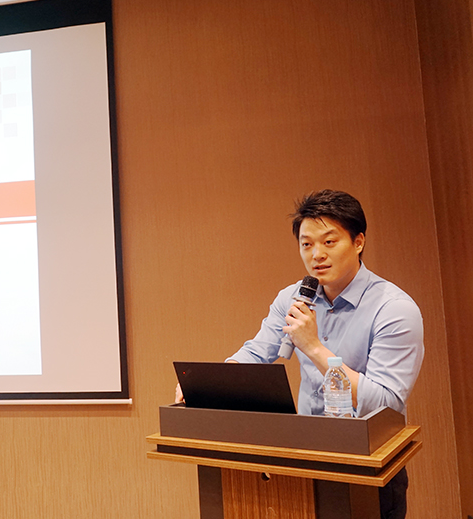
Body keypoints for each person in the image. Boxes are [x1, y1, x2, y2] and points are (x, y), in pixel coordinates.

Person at [176, 190, 424, 519]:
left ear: (358, 242)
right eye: (306, 244)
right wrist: (207, 385)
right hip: (305, 456)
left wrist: (314, 348)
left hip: (368, 463)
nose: (317, 255)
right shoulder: (293, 298)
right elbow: (257, 352)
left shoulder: (394, 309)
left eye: (329, 242)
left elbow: (386, 404)